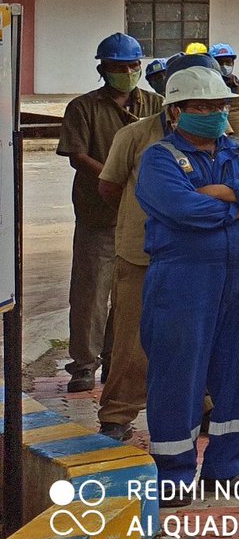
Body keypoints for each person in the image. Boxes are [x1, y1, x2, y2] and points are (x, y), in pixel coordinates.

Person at [136, 65, 239, 506]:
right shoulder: (160, 159)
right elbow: (185, 211)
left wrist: (224, 194)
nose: (213, 113)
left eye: (219, 105)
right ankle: (174, 474)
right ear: (176, 112)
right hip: (183, 279)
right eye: (201, 107)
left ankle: (228, 467)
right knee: (178, 373)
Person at [97, 52, 215, 441]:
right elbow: (110, 186)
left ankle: (202, 408)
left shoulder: (225, 139)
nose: (208, 106)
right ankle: (117, 415)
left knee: (196, 337)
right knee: (132, 341)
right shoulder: (135, 135)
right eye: (197, 100)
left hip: (199, 257)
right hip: (140, 254)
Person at [56, 32, 160, 393]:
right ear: (103, 68)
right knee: (90, 292)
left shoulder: (156, 104)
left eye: (134, 65)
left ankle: (117, 360)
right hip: (97, 213)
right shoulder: (82, 108)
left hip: (141, 216)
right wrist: (116, 177)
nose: (129, 72)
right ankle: (84, 364)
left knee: (130, 293)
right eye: (120, 66)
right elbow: (76, 156)